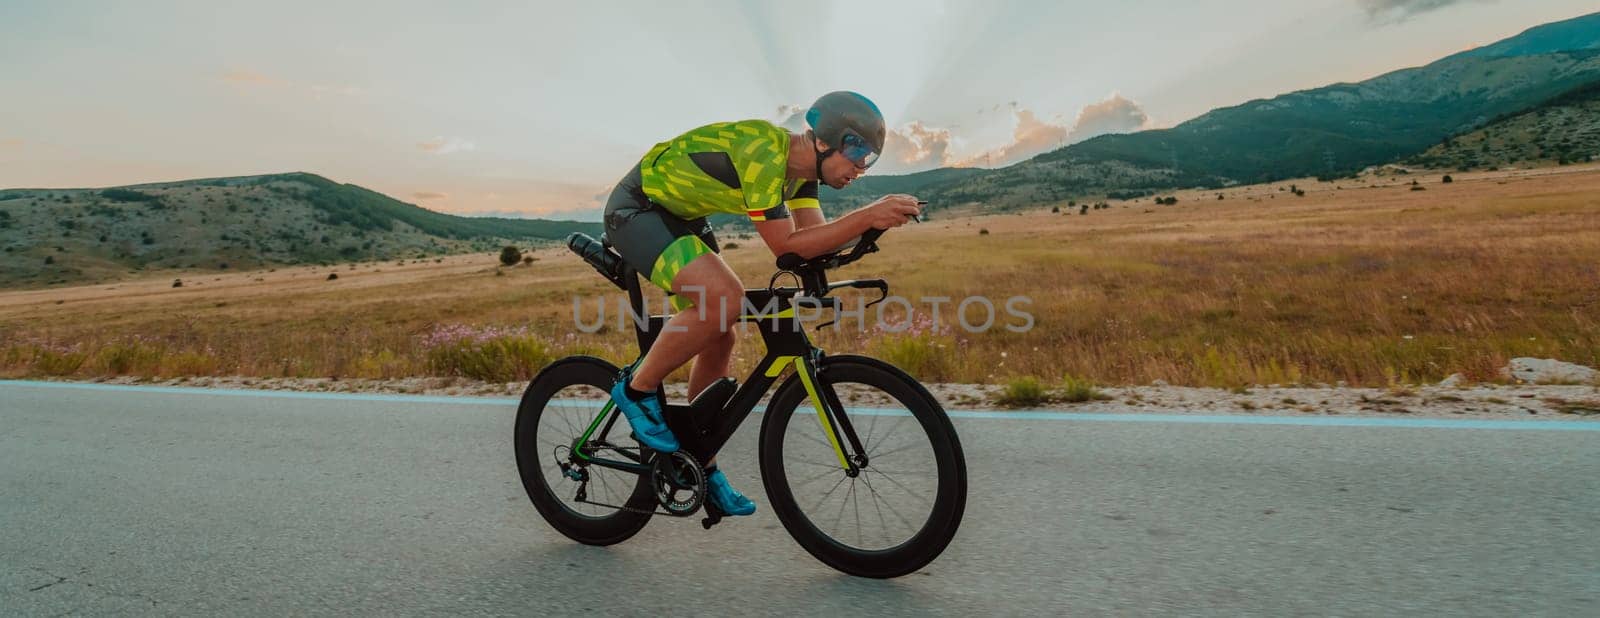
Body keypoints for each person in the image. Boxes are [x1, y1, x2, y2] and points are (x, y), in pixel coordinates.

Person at [600, 91, 922, 516]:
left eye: (871, 160)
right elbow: (785, 245)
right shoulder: (765, 152)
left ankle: (700, 463)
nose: (862, 168)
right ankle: (636, 390)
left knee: (722, 333)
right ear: (826, 141)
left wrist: (870, 232)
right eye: (859, 153)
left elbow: (811, 244)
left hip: (683, 217)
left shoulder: (803, 176)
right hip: (637, 209)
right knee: (724, 299)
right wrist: (867, 215)